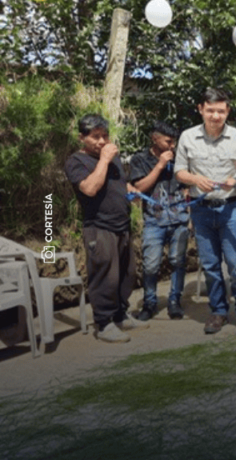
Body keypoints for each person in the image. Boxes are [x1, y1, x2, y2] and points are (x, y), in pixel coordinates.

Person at [175, 88, 236, 336]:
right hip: (201, 209)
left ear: (227, 111)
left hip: (231, 208)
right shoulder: (187, 137)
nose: (215, 116)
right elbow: (179, 171)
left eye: (221, 111)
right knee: (210, 265)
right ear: (201, 109)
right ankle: (218, 311)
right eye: (210, 110)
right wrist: (194, 178)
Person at [65, 114, 148, 343]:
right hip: (99, 228)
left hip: (122, 226)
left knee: (126, 274)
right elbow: (90, 188)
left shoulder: (114, 159)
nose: (102, 141)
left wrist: (132, 191)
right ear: (82, 137)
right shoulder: (76, 162)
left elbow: (120, 184)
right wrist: (103, 160)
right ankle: (103, 324)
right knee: (105, 277)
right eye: (95, 137)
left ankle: (120, 315)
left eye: (105, 136)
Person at [129, 121, 190, 321]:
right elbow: (140, 187)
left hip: (179, 218)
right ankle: (149, 303)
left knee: (178, 261)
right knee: (150, 265)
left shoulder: (180, 158)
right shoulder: (139, 159)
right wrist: (161, 165)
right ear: (154, 139)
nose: (172, 146)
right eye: (168, 141)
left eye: (174, 142)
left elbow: (188, 182)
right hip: (154, 221)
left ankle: (174, 301)